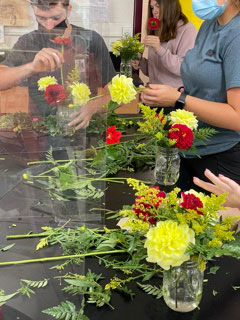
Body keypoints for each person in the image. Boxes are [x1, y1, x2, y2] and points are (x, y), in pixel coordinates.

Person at [141, 0, 240, 191]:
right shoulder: (208, 26)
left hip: (219, 158)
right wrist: (184, 93)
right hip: (190, 151)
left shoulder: (236, 35)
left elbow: (237, 117)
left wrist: (179, 100)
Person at [0, 0, 116, 129]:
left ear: (69, 10)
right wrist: (31, 67)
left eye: (56, 18)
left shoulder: (90, 39)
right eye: (41, 18)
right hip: (39, 129)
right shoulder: (27, 42)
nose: (49, 25)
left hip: (83, 127)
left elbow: (118, 95)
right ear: (33, 9)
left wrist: (94, 106)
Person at [132, 0, 197, 89]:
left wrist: (160, 50)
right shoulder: (158, 30)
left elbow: (184, 69)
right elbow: (156, 71)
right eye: (152, 7)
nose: (154, 11)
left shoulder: (188, 29)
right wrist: (140, 62)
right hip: (155, 94)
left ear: (170, 6)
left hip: (175, 96)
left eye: (158, 6)